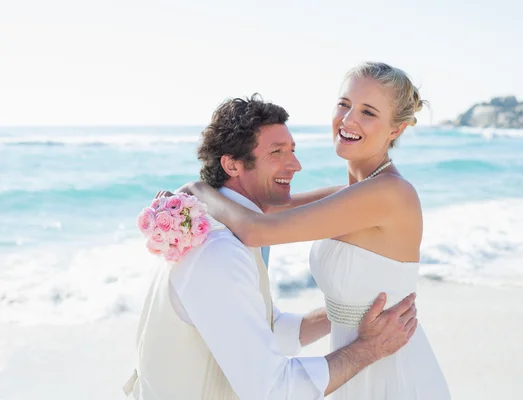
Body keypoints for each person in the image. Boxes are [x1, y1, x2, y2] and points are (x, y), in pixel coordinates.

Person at [181, 62, 451, 399]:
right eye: (344, 104)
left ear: (395, 130)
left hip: (390, 369)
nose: (348, 119)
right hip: (356, 359)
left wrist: (199, 190)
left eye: (367, 112)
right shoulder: (351, 193)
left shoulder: (390, 194)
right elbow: (266, 205)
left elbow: (257, 229)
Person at [125, 93, 418, 399]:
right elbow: (274, 390)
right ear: (233, 165)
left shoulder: (221, 228)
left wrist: (350, 311)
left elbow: (270, 328)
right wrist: (368, 349)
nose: (295, 165)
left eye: (292, 150)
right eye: (277, 153)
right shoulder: (218, 251)